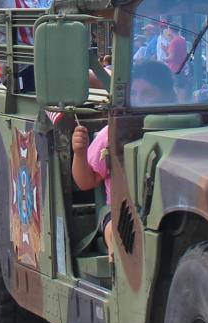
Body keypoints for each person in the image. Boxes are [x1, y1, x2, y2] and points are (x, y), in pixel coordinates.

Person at [69, 63, 176, 264]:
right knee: (114, 228)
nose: (139, 100)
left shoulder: (181, 126)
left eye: (147, 94)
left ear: (166, 96)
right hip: (120, 209)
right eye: (134, 94)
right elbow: (87, 181)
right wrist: (80, 153)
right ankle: (115, 253)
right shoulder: (111, 134)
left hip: (164, 213)